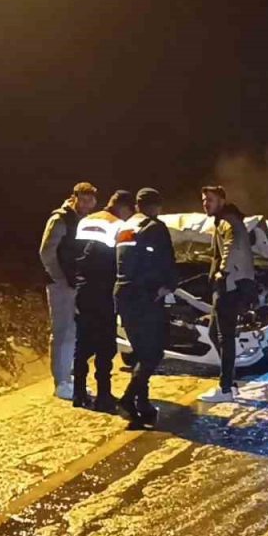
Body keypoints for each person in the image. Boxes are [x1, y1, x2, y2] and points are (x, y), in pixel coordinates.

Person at [115, 187, 177, 427]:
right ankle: (129, 399)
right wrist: (168, 285)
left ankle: (143, 404)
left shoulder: (125, 227)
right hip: (145, 296)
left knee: (141, 352)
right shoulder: (155, 227)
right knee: (154, 351)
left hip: (123, 295)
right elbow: (166, 261)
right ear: (156, 206)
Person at [70, 190, 134, 411]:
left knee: (82, 342)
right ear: (123, 207)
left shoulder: (87, 220)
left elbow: (75, 255)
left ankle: (78, 393)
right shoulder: (118, 225)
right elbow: (122, 260)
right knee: (105, 346)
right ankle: (103, 396)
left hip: (82, 289)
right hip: (104, 292)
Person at [39, 182, 97, 400]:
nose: (86, 204)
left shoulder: (85, 220)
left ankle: (69, 379)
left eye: (90, 200)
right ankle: (61, 382)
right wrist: (61, 278)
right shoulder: (60, 219)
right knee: (62, 332)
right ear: (73, 198)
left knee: (73, 332)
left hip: (76, 284)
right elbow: (47, 252)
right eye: (82, 199)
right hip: (61, 284)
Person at [198, 186, 256, 403]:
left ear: (222, 200)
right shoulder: (225, 219)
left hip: (228, 286)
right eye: (204, 200)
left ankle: (224, 388)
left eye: (210, 200)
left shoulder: (228, 221)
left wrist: (223, 271)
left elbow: (231, 247)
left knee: (224, 336)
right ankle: (230, 383)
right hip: (226, 285)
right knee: (216, 333)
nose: (206, 204)